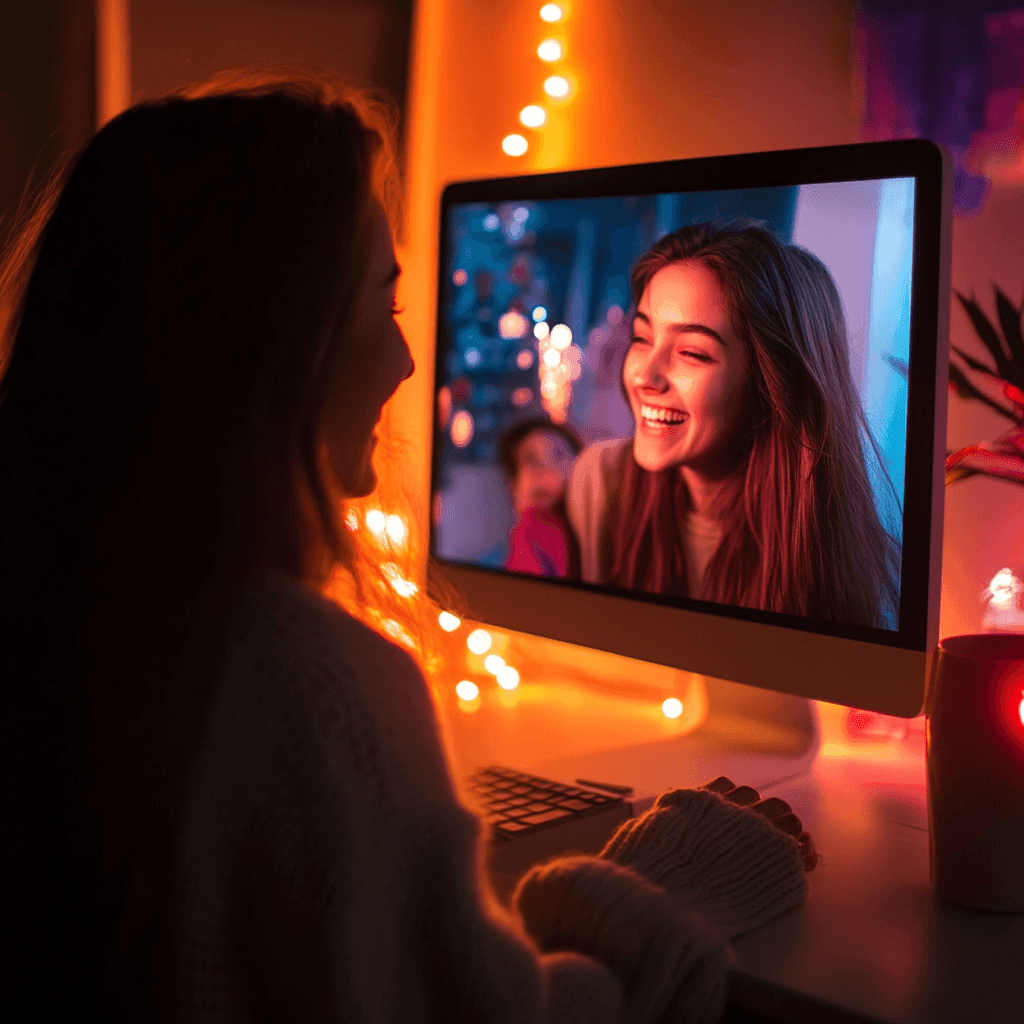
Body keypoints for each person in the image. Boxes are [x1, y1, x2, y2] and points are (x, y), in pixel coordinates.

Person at [0, 77, 815, 1023]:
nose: (408, 362)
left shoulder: (55, 611)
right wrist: (662, 892)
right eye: (384, 309)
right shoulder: (315, 692)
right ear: (281, 346)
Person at [567, 220, 901, 629]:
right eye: (642, 338)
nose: (644, 377)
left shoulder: (832, 549)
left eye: (692, 352)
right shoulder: (600, 482)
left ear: (770, 380)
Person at [498, 417, 581, 577]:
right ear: (513, 488)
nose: (547, 471)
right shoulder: (527, 538)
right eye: (530, 459)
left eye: (559, 455)